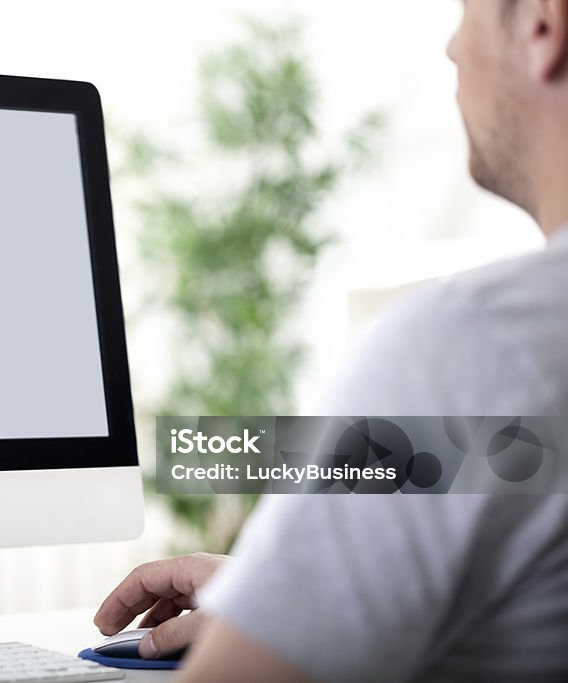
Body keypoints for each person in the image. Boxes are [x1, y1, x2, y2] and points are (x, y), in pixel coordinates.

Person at [94, 1, 568, 681]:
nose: (452, 48)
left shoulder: (473, 350)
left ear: (542, 26)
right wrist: (287, 599)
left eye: (467, 10)